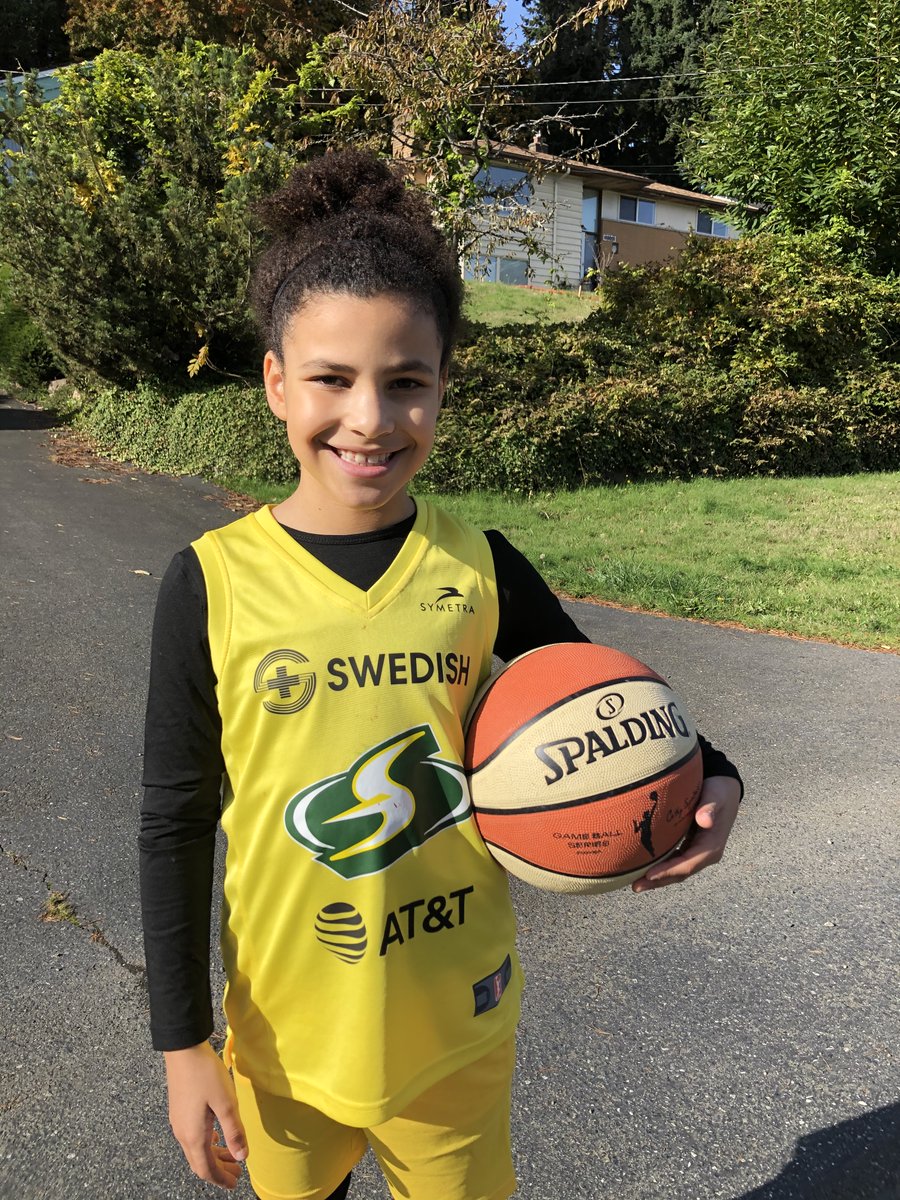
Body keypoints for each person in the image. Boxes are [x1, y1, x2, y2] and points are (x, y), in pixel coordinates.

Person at [140, 148, 743, 1200]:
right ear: (276, 382)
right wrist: (182, 1043)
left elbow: (602, 692)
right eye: (331, 379)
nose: (370, 419)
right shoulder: (212, 582)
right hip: (286, 1032)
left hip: (457, 1019)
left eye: (406, 383)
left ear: (442, 388)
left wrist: (717, 773)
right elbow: (175, 821)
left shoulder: (480, 566)